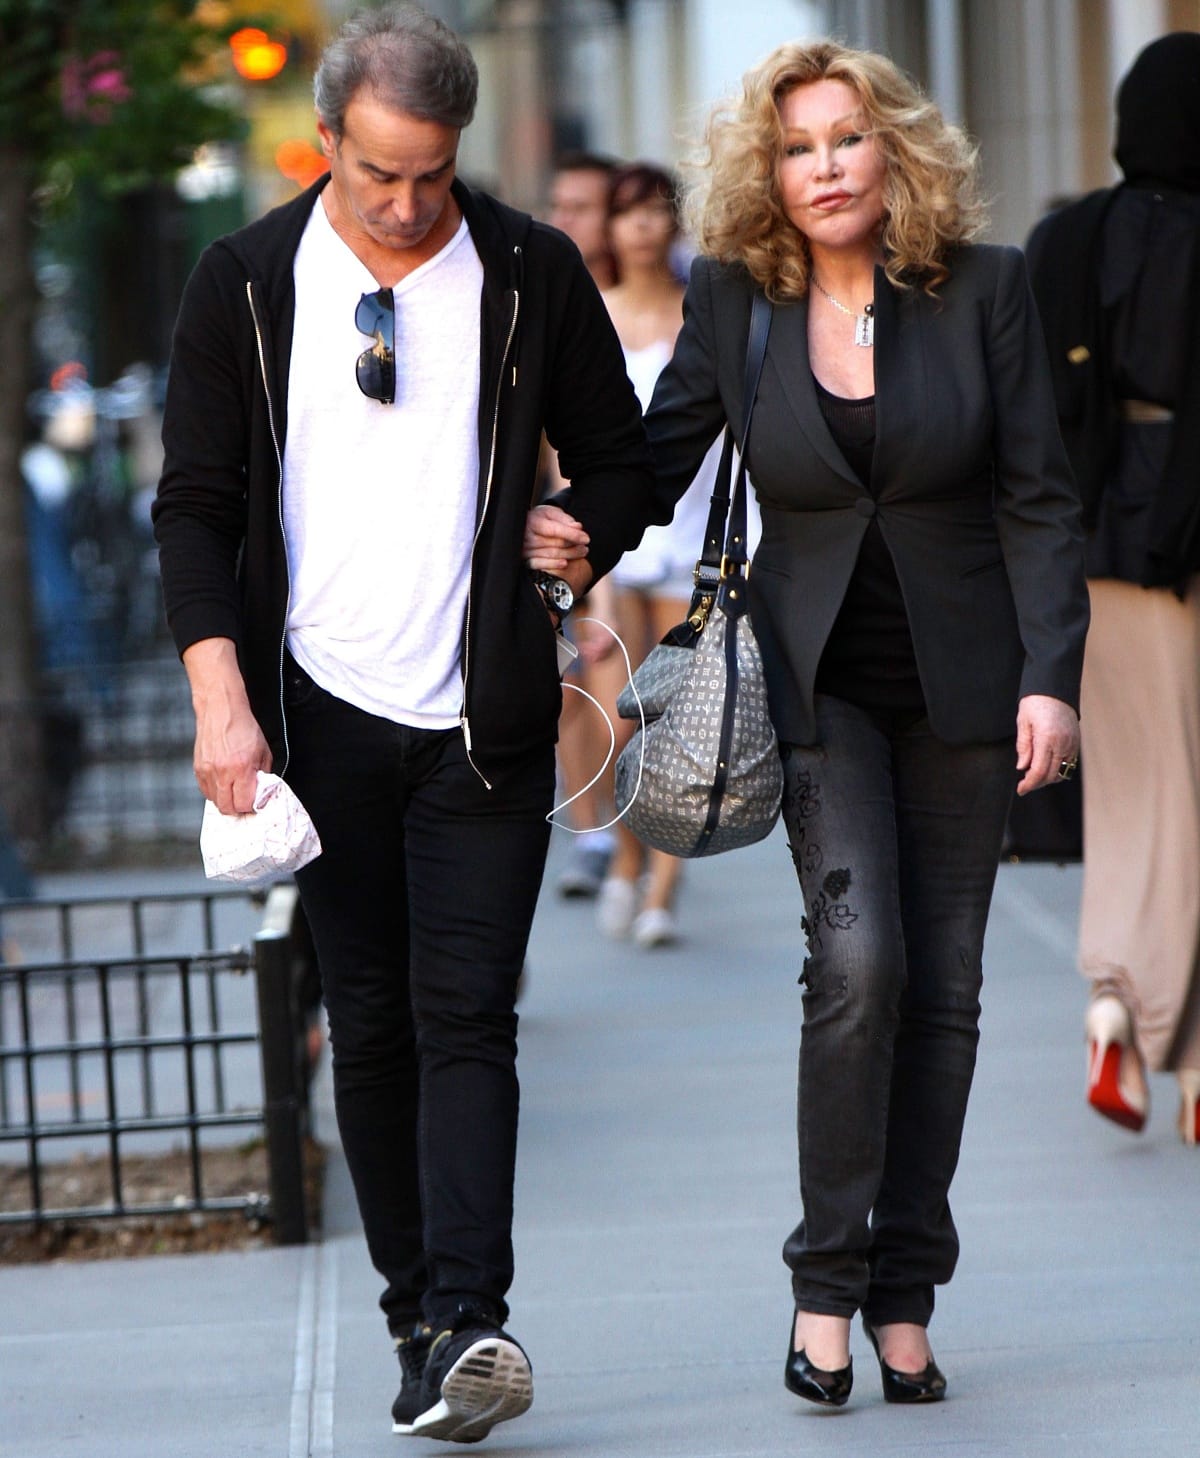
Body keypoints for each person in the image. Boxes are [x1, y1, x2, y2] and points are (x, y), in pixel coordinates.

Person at [526, 39, 1088, 1408]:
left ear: (891, 148)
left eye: (846, 137)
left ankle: (908, 1291)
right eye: (798, 147)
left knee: (945, 992)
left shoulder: (988, 291)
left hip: (966, 680)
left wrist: (1052, 675)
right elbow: (660, 460)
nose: (825, 164)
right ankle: (825, 1279)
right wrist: (576, 532)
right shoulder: (738, 299)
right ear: (766, 173)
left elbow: (1039, 495)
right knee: (858, 960)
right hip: (813, 673)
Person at [152, 3, 653, 1444]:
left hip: (480, 717)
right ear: (327, 142)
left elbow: (619, 457)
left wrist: (581, 528)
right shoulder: (243, 284)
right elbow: (193, 506)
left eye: (433, 172)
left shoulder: (525, 271)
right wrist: (221, 700)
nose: (407, 201)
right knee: (365, 1020)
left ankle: (476, 1317)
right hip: (312, 717)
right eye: (380, 172)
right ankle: (414, 1315)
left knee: (467, 1013)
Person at [1025, 32, 1200, 1147]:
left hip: (1094, 539)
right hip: (1188, 527)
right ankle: (1182, 1046)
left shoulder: (1066, 238)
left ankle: (1115, 996)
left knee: (1138, 782)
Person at [591, 161, 758, 947]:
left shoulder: (709, 305)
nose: (645, 225)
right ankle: (626, 862)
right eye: (628, 212)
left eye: (658, 210)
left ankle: (662, 889)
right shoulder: (592, 314)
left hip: (696, 536)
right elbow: (570, 445)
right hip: (621, 538)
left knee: (680, 714)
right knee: (616, 718)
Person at [543, 150, 624, 898]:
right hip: (572, 525)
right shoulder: (543, 295)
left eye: (582, 206)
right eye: (557, 204)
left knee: (629, 690)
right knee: (575, 684)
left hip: (649, 525)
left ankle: (634, 838)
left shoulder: (656, 300)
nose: (564, 220)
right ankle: (595, 828)